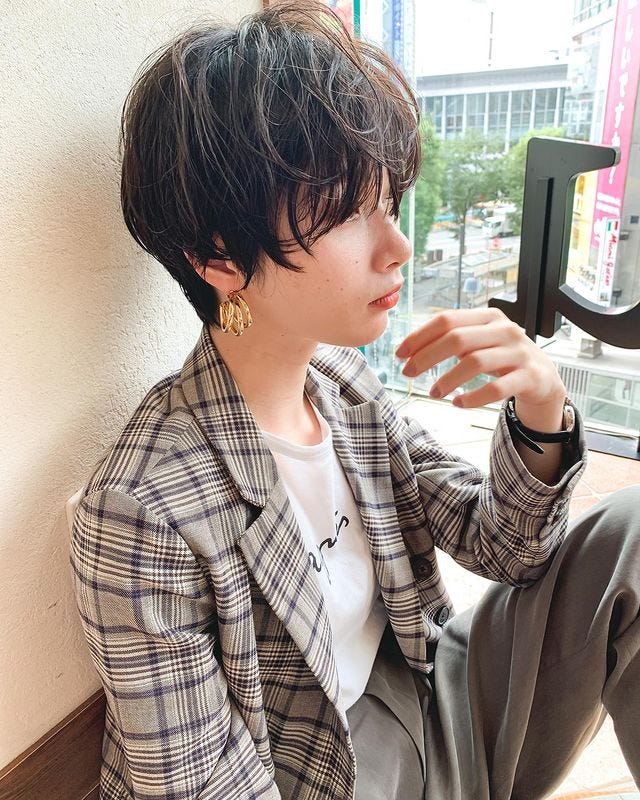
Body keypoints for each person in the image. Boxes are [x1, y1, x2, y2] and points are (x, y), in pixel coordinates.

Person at [69, 3, 640, 799]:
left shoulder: (344, 387)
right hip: (319, 776)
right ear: (218, 259)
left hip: (436, 697)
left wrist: (543, 404)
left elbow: (506, 549)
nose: (397, 247)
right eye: (347, 216)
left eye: (388, 203)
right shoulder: (143, 508)